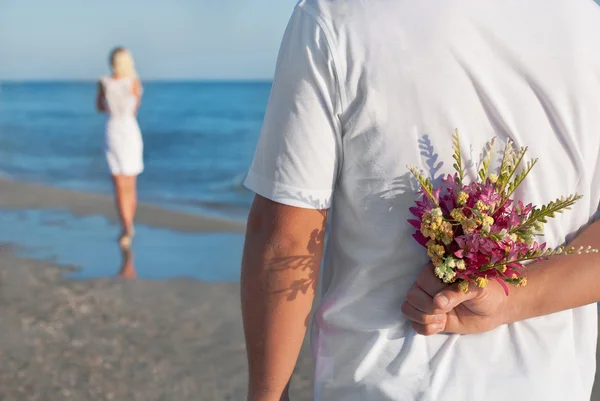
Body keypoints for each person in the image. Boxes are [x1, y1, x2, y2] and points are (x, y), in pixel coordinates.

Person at [240, 1, 600, 401]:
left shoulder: (336, 15)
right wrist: (507, 302)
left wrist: (267, 395)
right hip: (550, 385)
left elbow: (286, 237)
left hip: (379, 381)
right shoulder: (587, 22)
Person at [96, 47, 144, 249]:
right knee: (128, 182)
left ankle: (126, 225)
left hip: (114, 128)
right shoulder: (134, 82)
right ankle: (127, 225)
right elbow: (134, 109)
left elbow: (99, 107)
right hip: (129, 129)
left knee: (120, 182)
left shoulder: (104, 83)